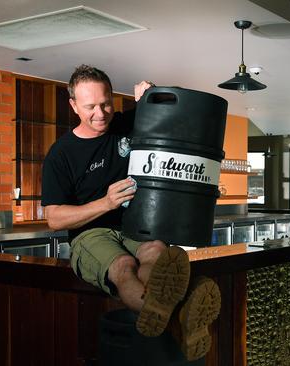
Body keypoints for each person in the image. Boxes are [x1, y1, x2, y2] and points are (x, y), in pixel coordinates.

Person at [41, 65, 220, 361]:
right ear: (73, 105)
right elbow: (54, 218)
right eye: (90, 107)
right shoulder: (61, 154)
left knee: (156, 250)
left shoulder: (126, 123)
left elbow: (177, 108)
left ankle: (173, 314)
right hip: (90, 235)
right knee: (124, 266)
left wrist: (152, 97)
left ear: (113, 97)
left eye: (106, 103)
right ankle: (180, 319)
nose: (100, 113)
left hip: (136, 225)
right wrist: (106, 203)